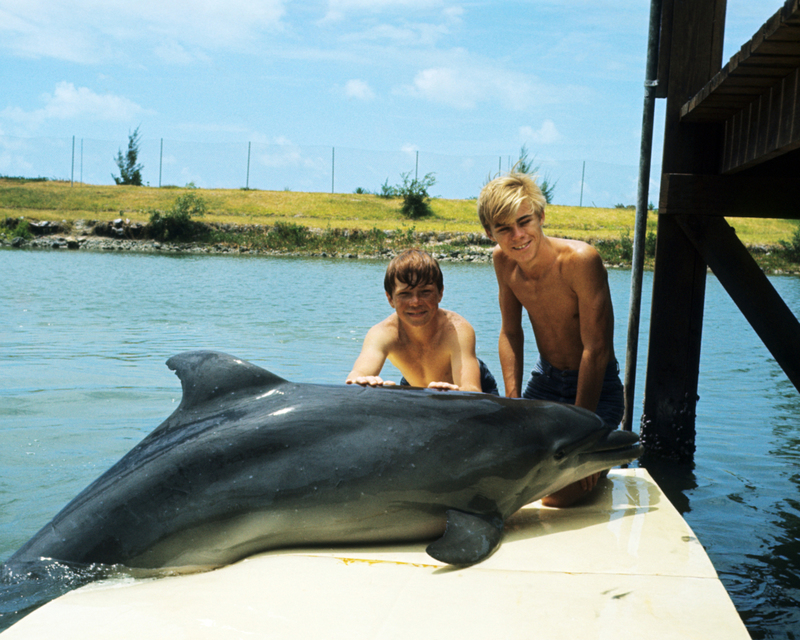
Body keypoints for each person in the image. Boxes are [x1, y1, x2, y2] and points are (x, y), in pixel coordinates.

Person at [477, 172, 623, 507]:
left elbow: (596, 350)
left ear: (541, 216)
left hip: (596, 389)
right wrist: (514, 404)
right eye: (503, 228)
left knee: (555, 497)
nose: (517, 236)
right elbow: (511, 332)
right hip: (544, 385)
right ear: (490, 233)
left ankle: (601, 454)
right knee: (500, 473)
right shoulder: (502, 262)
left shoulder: (580, 261)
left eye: (524, 221)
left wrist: (581, 434)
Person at [346, 248, 498, 395]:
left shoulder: (457, 330)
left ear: (440, 293)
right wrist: (365, 383)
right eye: (405, 294)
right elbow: (357, 375)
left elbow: (472, 389)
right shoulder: (383, 333)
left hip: (476, 387)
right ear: (390, 299)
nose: (415, 302)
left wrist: (456, 394)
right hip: (414, 385)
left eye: (425, 292)